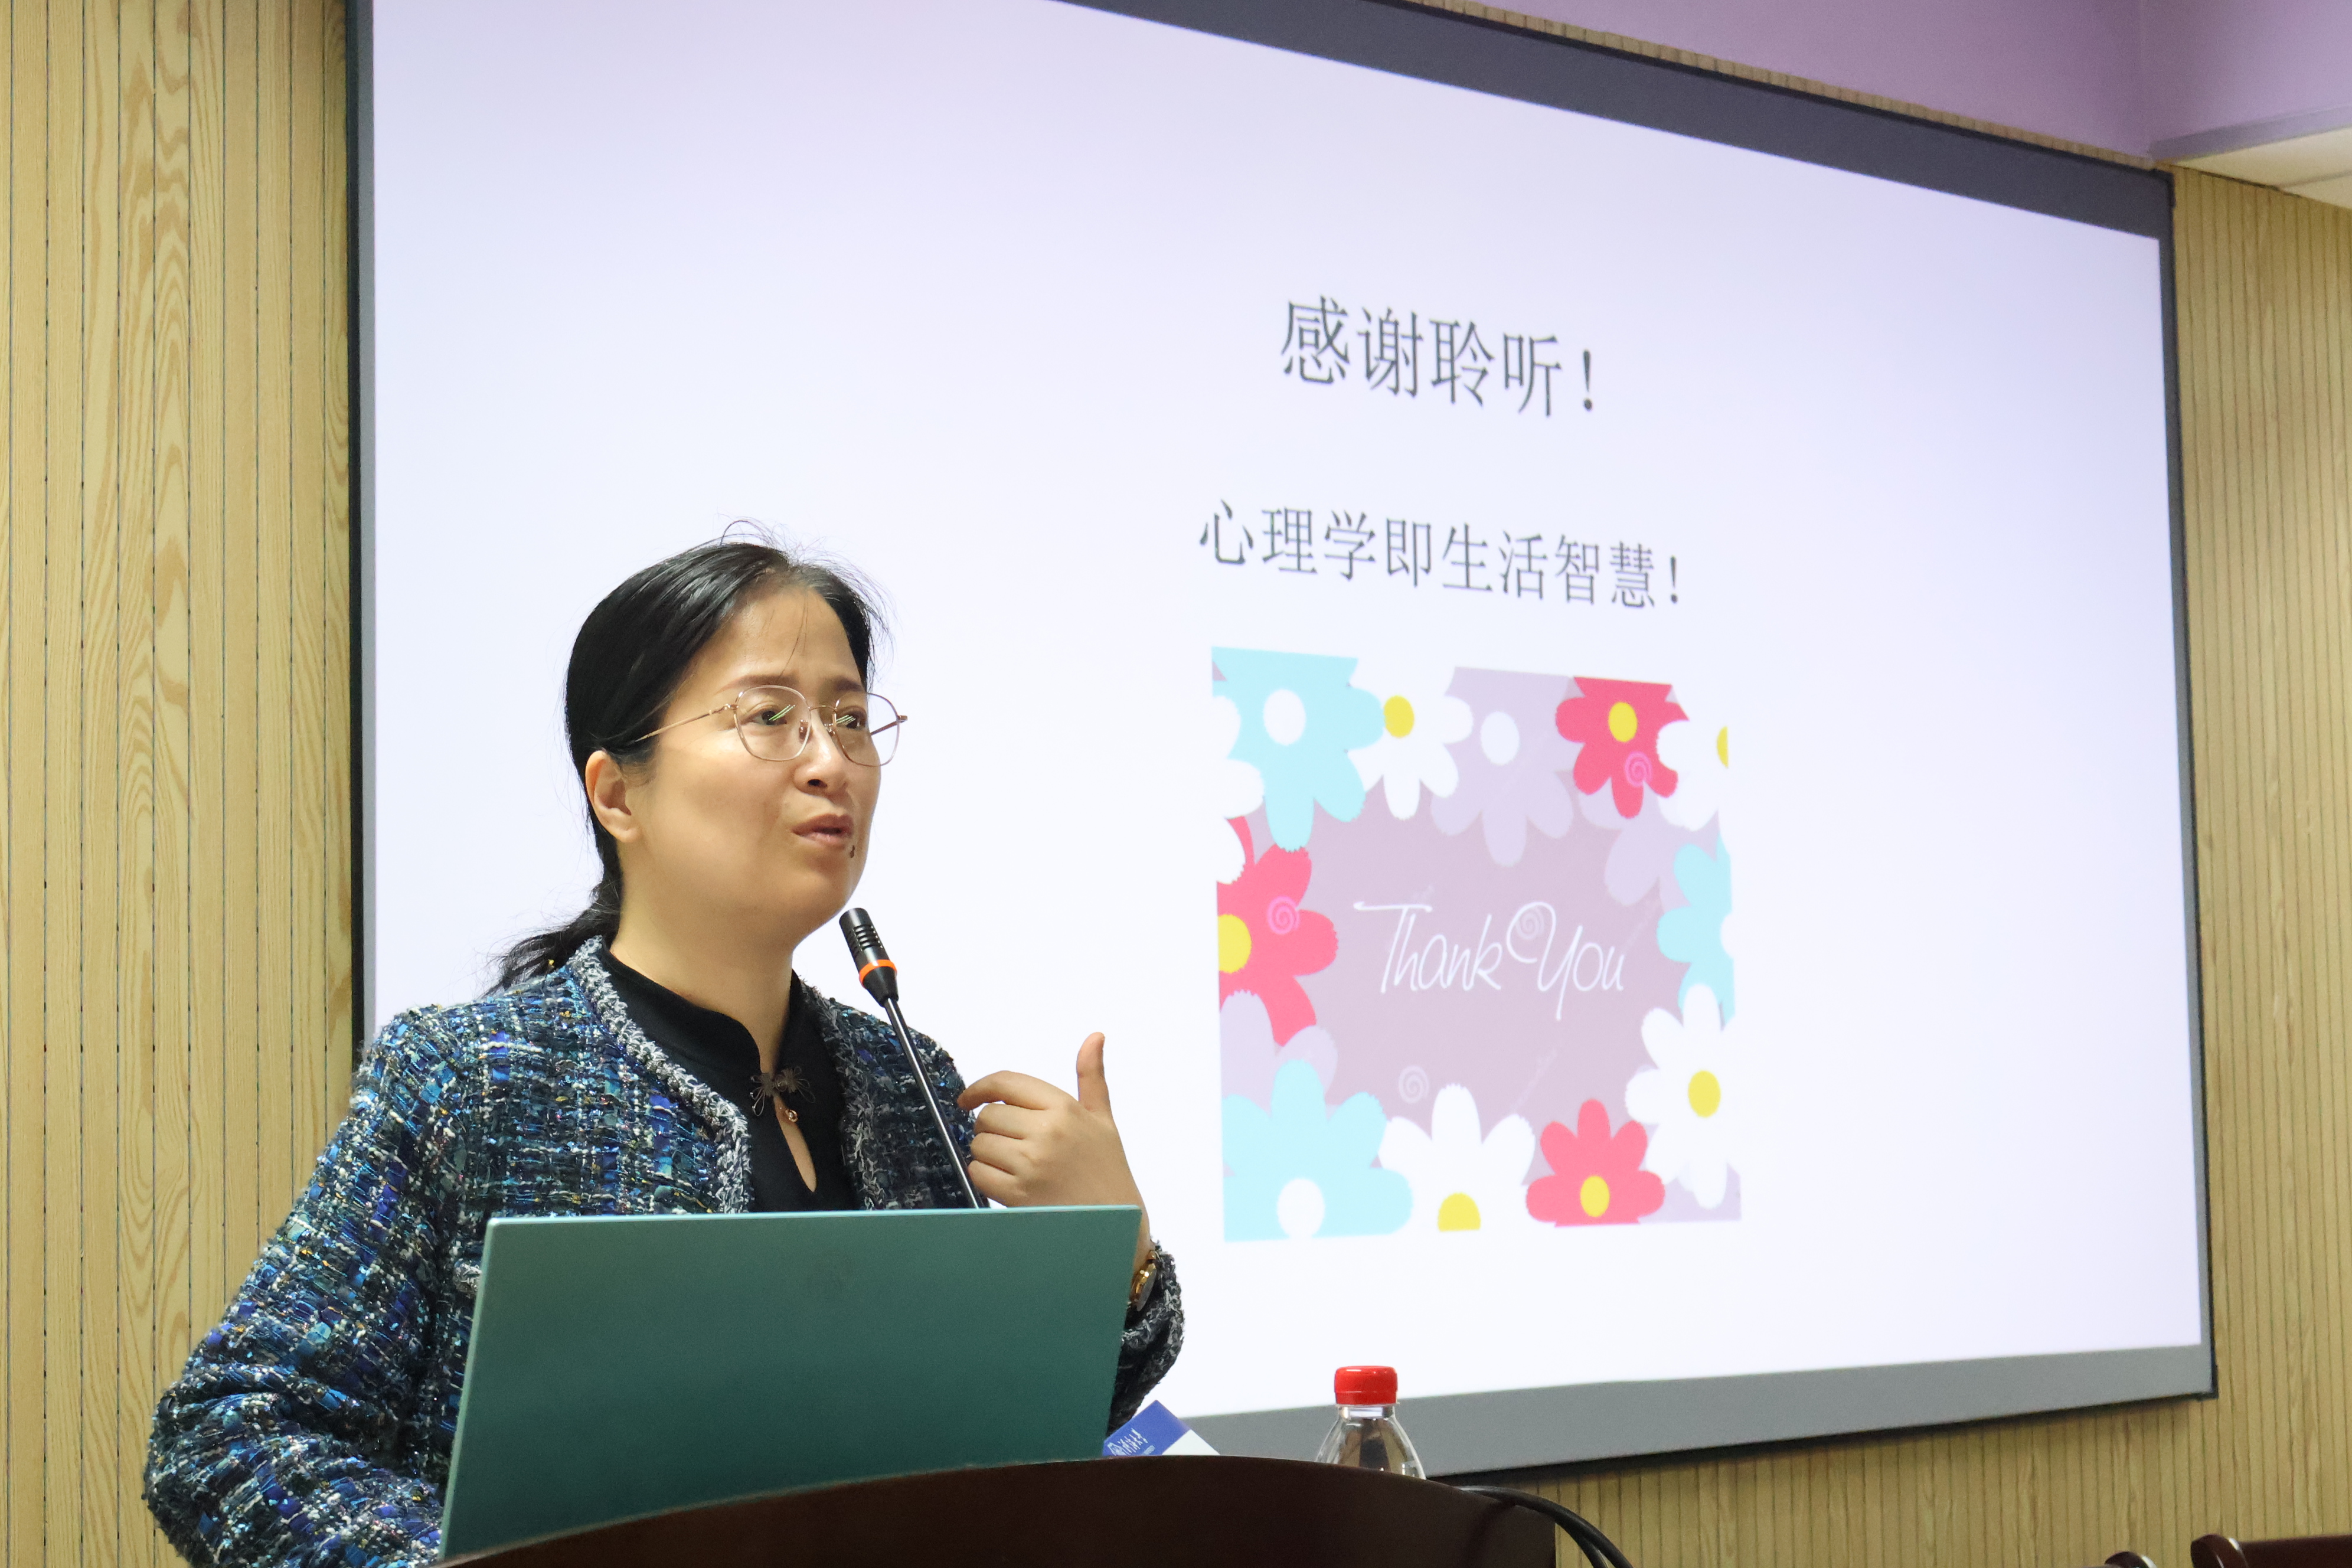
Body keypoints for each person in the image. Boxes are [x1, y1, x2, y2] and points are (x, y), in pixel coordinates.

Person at [143, 537, 1181, 1567]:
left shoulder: (905, 1083)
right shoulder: (473, 1078)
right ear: (617, 794)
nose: (830, 761)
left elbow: (1003, 1437)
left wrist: (1119, 1256)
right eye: (769, 717)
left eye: (850, 719)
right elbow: (227, 1437)